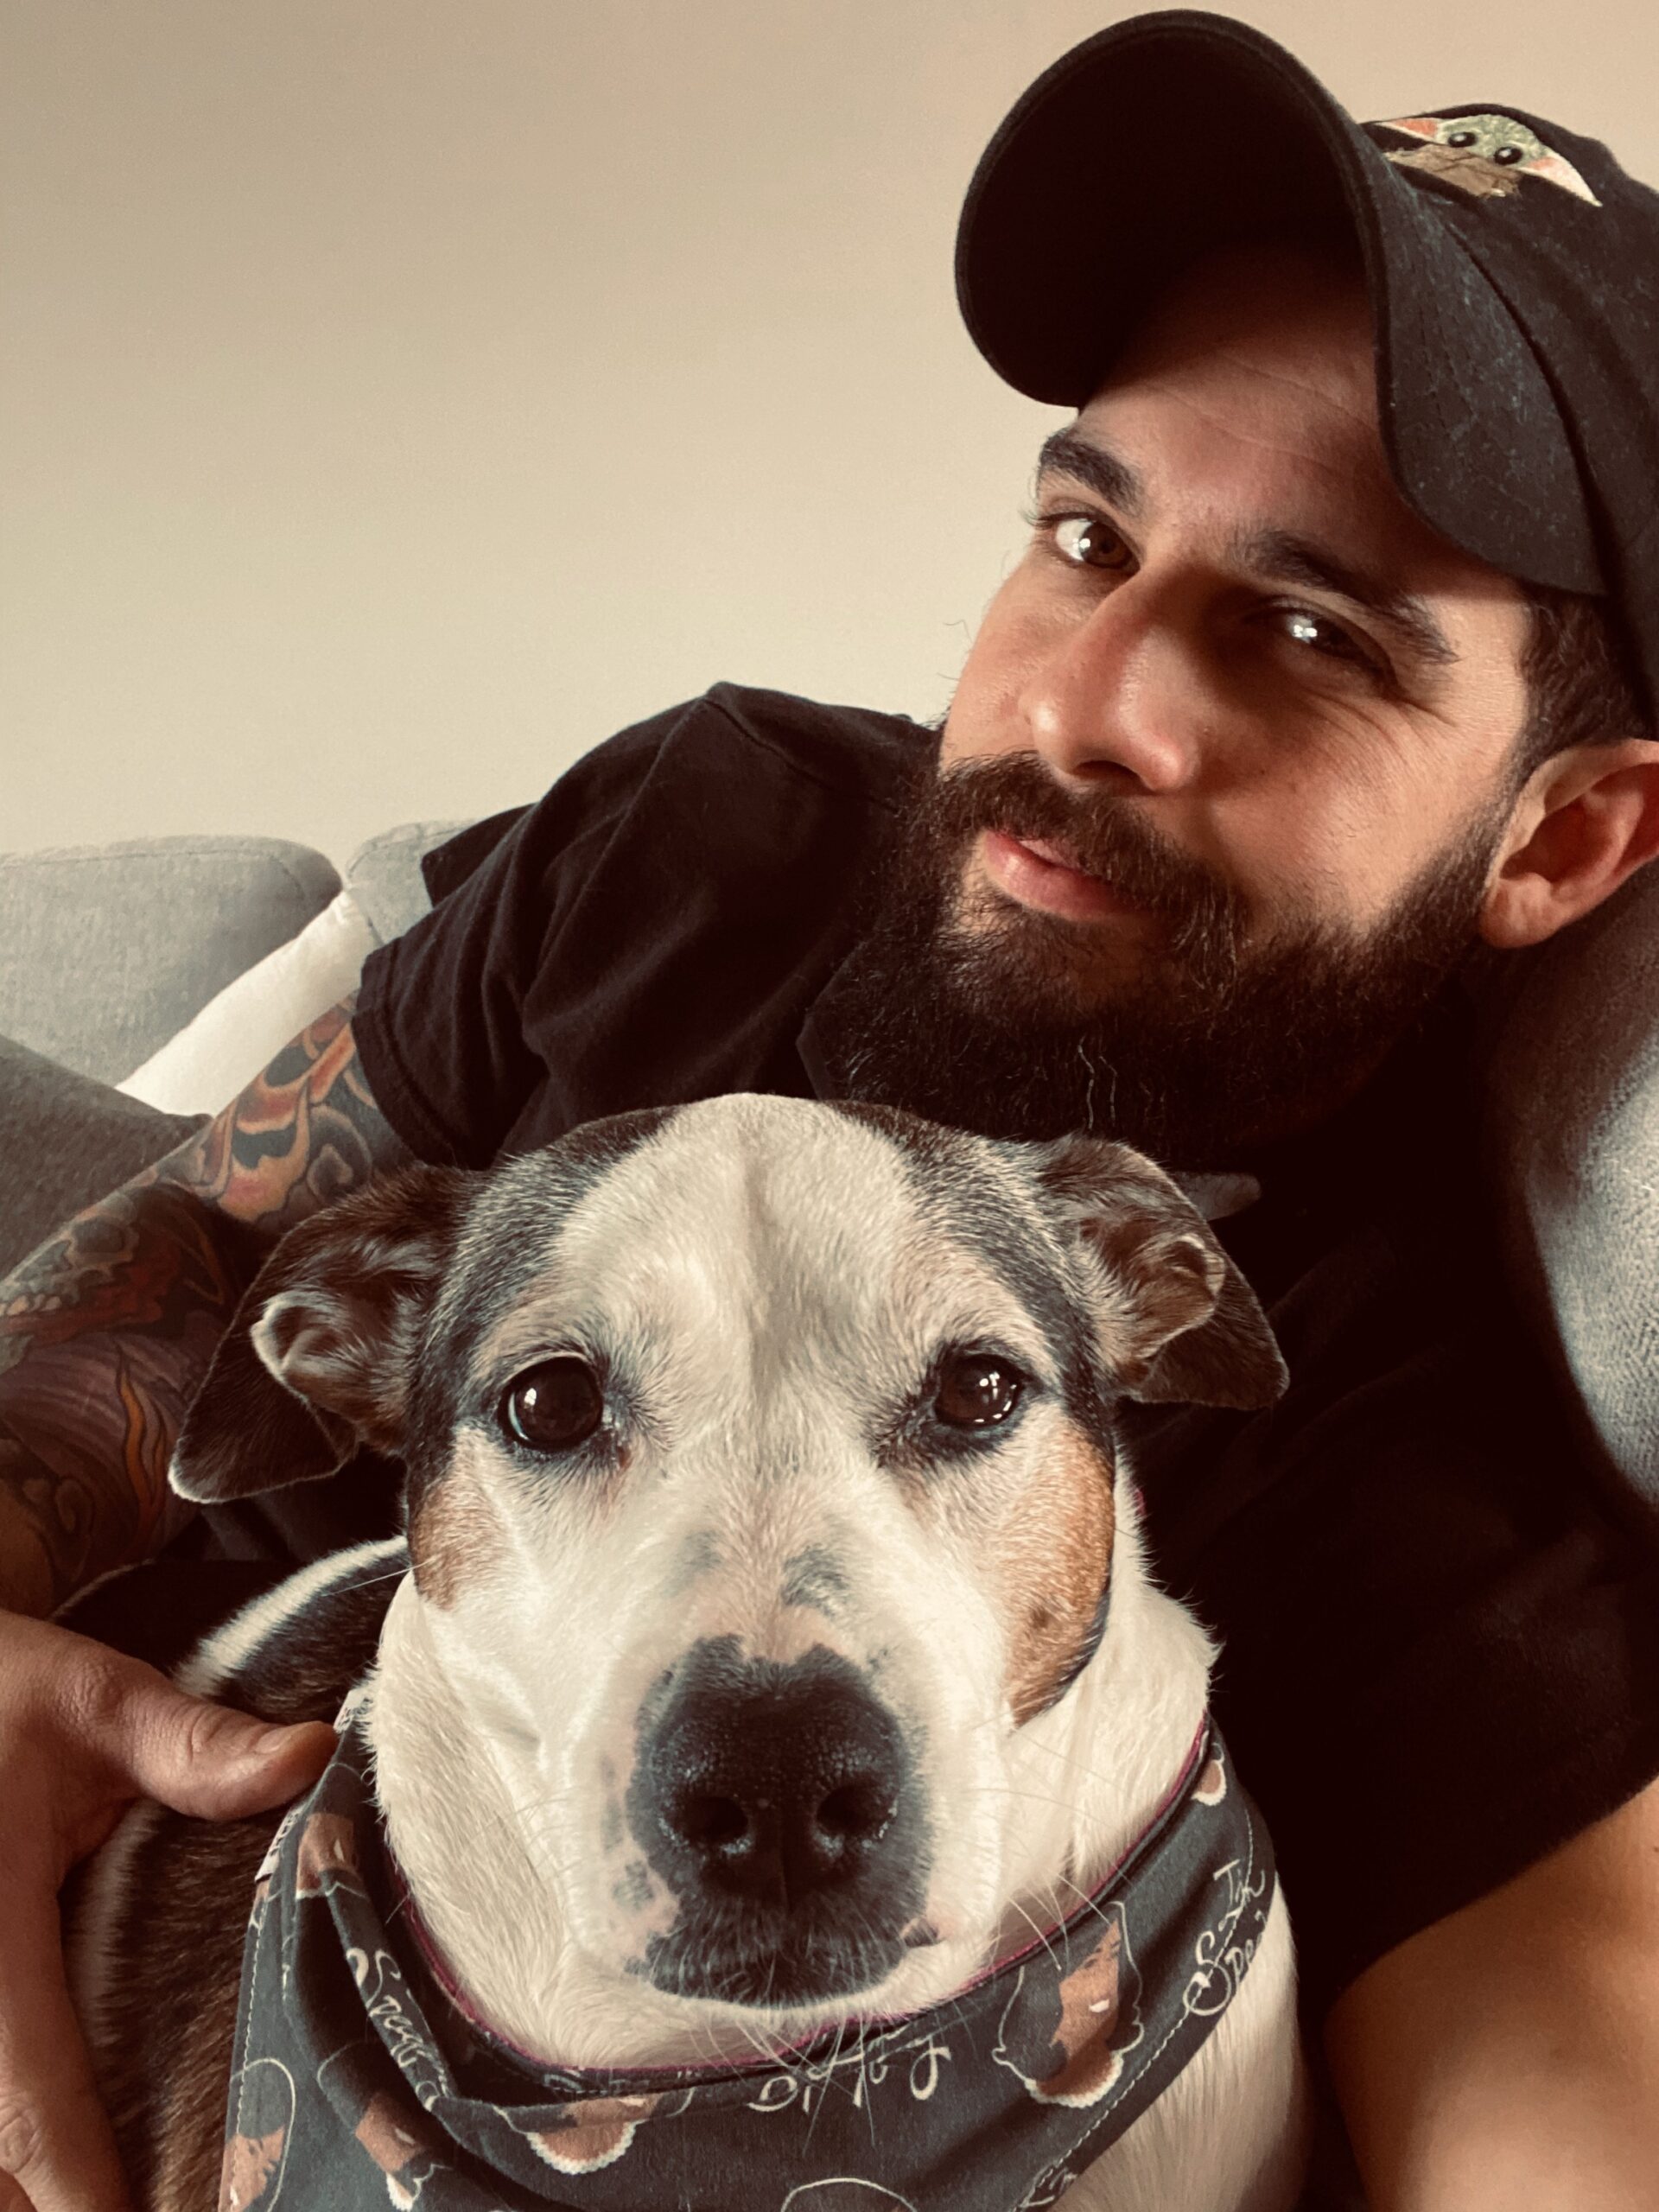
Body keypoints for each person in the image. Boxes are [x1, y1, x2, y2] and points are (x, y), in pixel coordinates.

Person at [3, 13, 1659, 2209]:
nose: (1094, 703)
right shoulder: (705, 831)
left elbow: (1568, 2058)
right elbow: (192, 1259)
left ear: (1560, 845)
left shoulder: (1399, 1449)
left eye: (1308, 630)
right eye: (1089, 533)